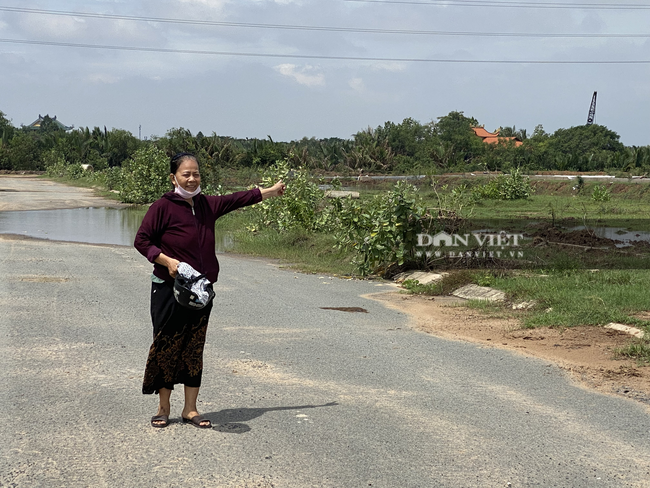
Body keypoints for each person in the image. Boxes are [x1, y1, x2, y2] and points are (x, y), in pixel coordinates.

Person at [134, 152, 285, 428]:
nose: (192, 179)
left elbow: (238, 198)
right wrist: (166, 261)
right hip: (169, 288)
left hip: (201, 291)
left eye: (196, 174)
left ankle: (190, 409)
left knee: (194, 347)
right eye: (186, 174)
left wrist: (271, 191)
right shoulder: (162, 207)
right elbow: (142, 241)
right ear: (173, 177)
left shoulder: (207, 205)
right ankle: (163, 407)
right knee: (166, 345)